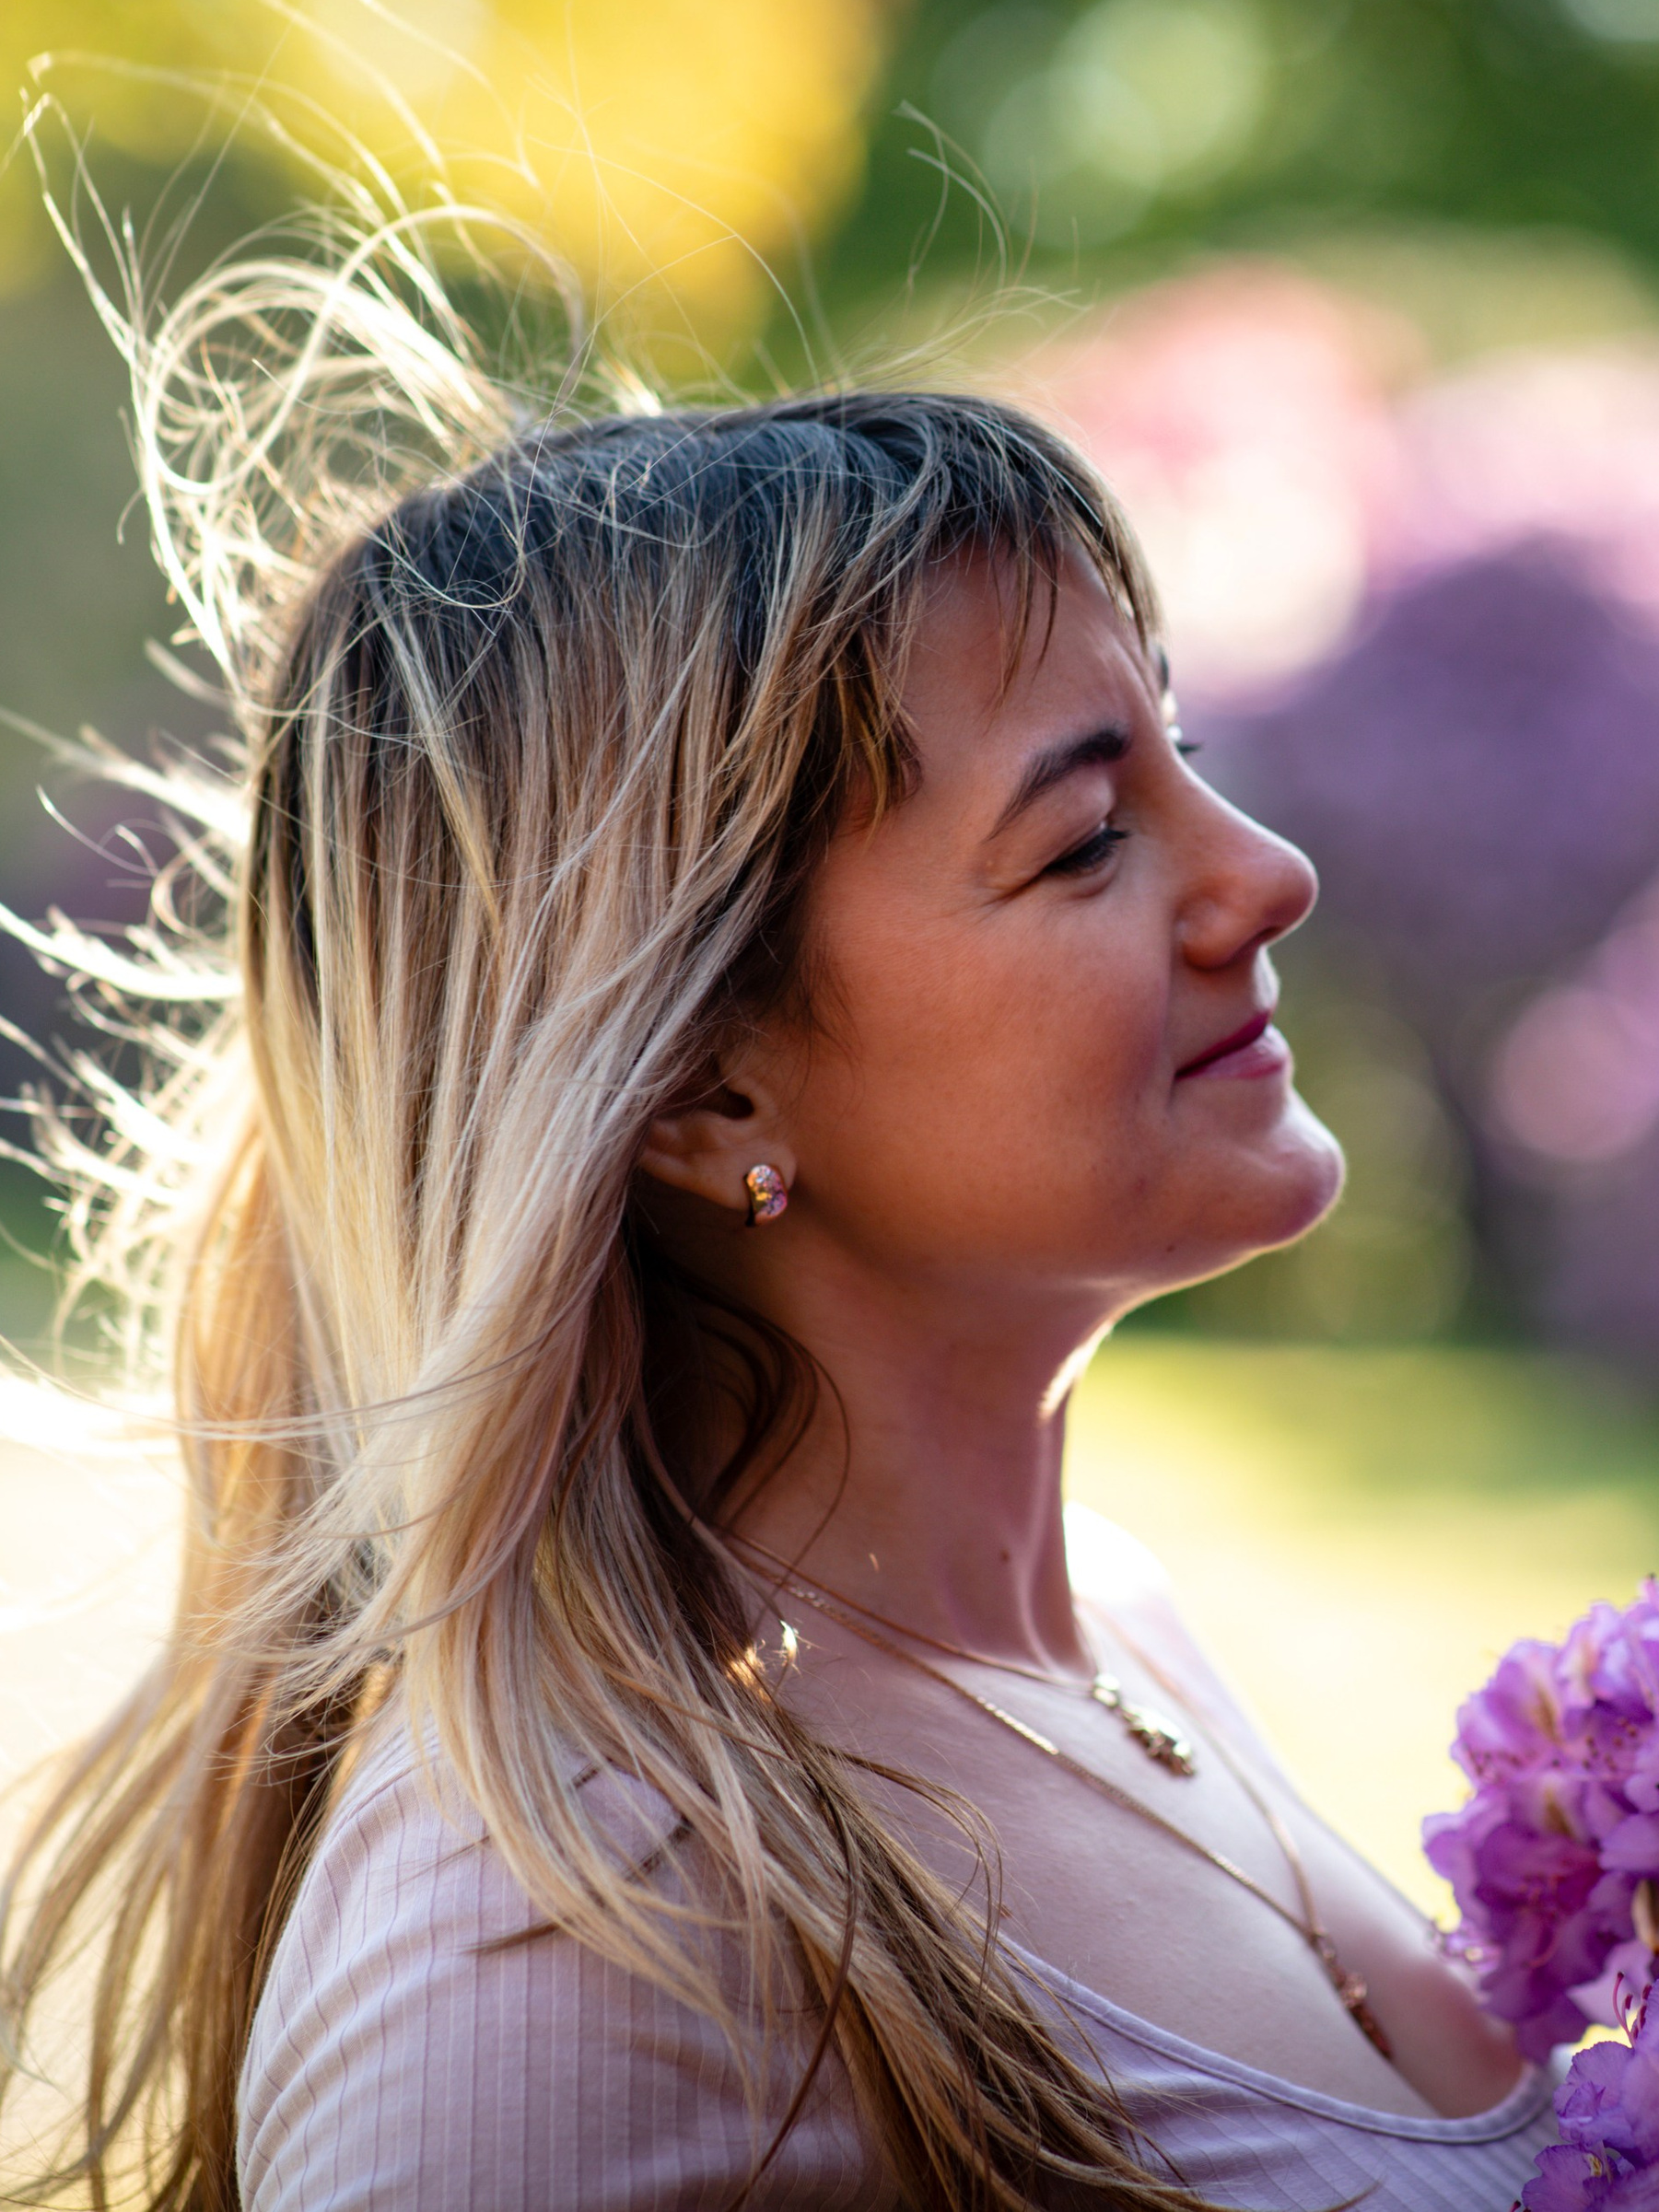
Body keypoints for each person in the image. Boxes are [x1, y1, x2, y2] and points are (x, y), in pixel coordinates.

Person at [0, 220, 1547, 2210]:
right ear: (702, 1083)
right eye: (1083, 836)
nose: (1263, 871)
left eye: (1189, 754)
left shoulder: (1115, 1627)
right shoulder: (562, 1936)